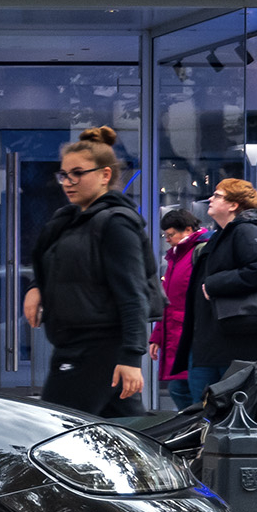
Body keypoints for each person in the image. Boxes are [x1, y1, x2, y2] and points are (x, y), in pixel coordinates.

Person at [26, 136, 152, 417]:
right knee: (122, 435)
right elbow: (56, 266)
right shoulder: (69, 221)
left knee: (56, 429)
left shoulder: (116, 224)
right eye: (63, 174)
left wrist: (132, 358)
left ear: (105, 174)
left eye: (78, 173)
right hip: (75, 345)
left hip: (97, 349)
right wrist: (36, 287)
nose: (68, 182)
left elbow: (133, 295)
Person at [188, 177, 257, 386]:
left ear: (233, 205)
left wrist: (213, 284)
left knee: (218, 401)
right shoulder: (225, 234)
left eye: (218, 196)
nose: (210, 199)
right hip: (224, 337)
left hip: (235, 338)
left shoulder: (245, 231)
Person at [149, 206, 209, 409]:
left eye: (170, 234)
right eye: (165, 234)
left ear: (188, 230)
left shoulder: (198, 253)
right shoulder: (177, 257)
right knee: (180, 388)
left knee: (192, 391)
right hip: (179, 333)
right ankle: (193, 431)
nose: (167, 239)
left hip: (193, 335)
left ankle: (198, 433)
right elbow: (168, 302)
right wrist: (157, 336)